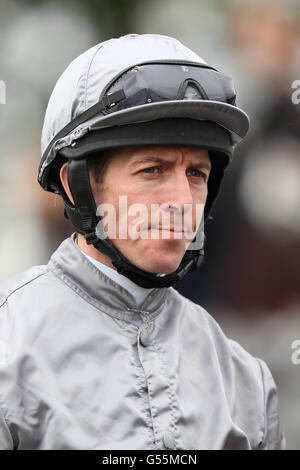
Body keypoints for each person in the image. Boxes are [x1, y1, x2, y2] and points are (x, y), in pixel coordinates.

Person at [0, 34, 286, 450]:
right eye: (152, 170)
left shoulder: (245, 380)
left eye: (196, 174)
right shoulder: (7, 347)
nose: (181, 202)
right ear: (76, 185)